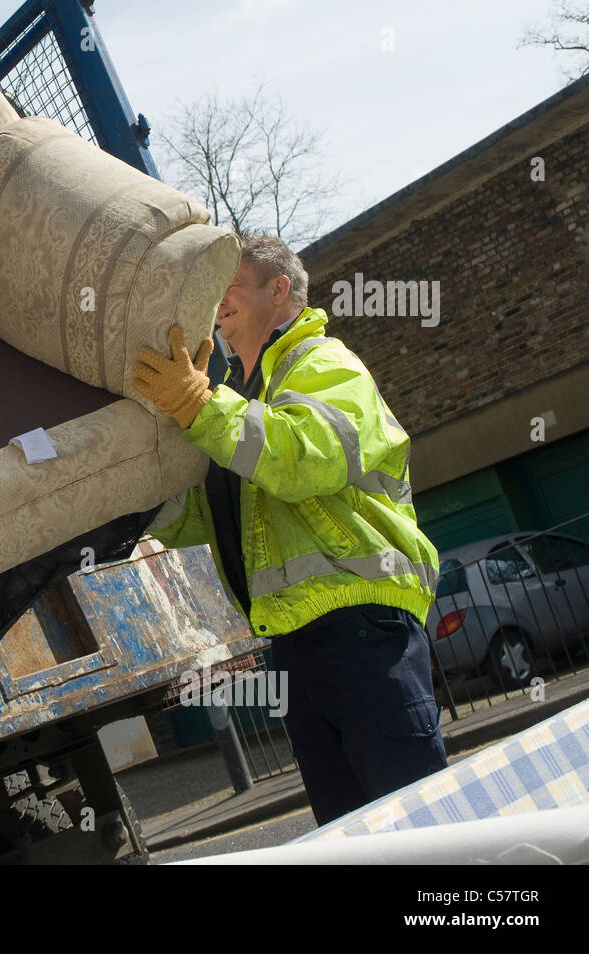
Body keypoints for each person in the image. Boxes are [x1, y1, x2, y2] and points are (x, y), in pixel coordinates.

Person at [131, 233, 446, 826]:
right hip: (297, 645)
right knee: (351, 835)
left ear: (280, 290)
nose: (217, 305)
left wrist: (200, 408)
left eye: (231, 288)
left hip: (361, 627)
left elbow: (303, 457)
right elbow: (209, 521)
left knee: (417, 827)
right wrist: (135, 503)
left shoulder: (323, 363)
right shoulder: (239, 400)